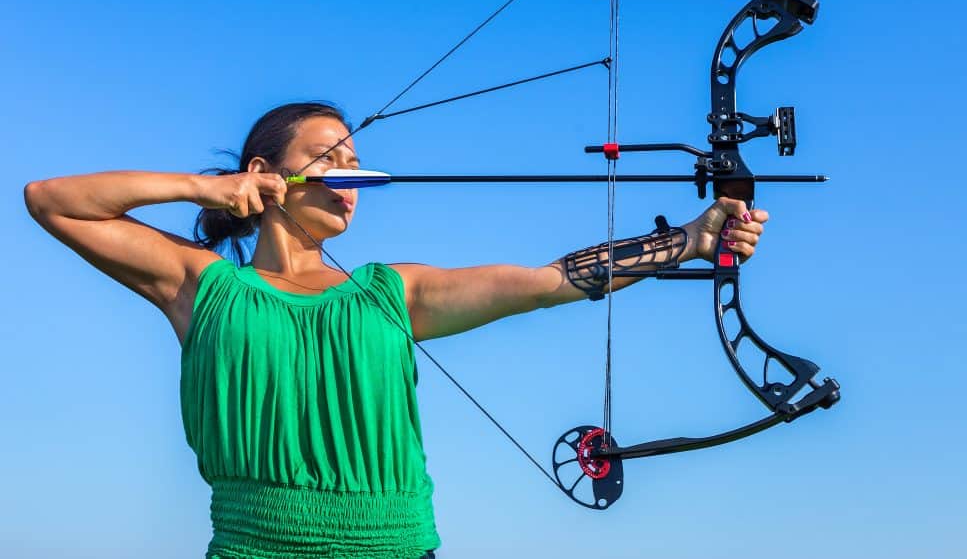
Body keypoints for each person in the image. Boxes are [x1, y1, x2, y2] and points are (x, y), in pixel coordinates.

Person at [23, 101, 767, 558]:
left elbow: (552, 281)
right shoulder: (203, 284)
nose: (352, 171)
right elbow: (51, 200)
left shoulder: (391, 292)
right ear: (266, 172)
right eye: (329, 155)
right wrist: (203, 187)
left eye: (356, 158)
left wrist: (691, 242)